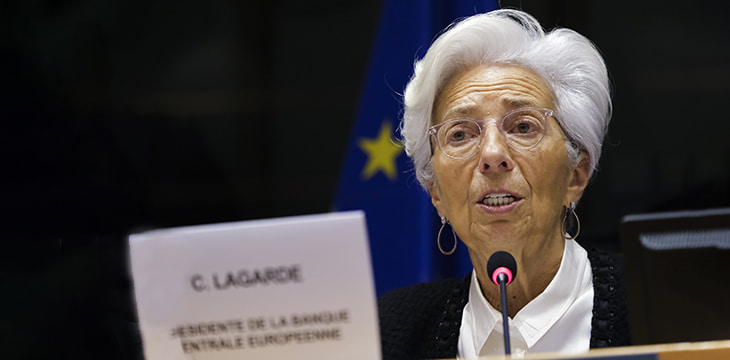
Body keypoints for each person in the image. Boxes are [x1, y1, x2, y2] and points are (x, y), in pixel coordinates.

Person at [378, 9, 629, 359]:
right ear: (435, 192)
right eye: (461, 133)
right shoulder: (390, 336)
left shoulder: (660, 304)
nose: (493, 154)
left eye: (523, 127)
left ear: (576, 174)